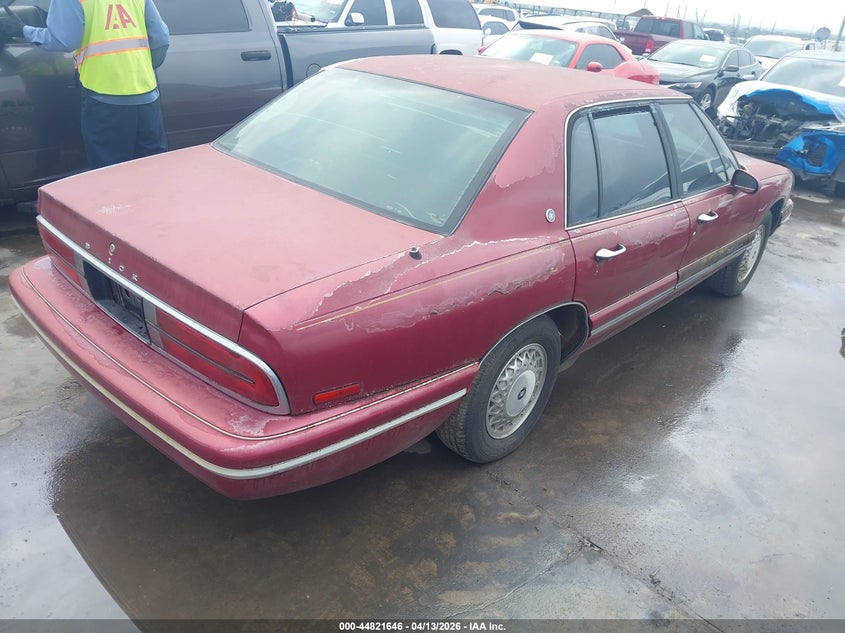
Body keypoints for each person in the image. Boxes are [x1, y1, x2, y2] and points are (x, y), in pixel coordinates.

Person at [10, 0, 170, 169]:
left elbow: (64, 40)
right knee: (152, 170)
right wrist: (141, 69)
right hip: (147, 96)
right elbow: (161, 39)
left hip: (105, 99)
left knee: (110, 174)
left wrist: (24, 31)